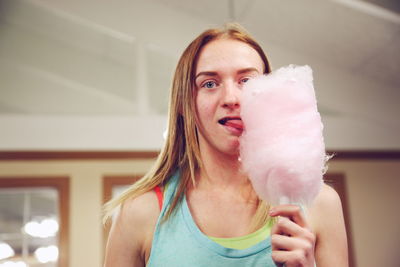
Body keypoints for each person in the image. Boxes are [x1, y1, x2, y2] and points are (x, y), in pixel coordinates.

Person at [103, 23, 348, 267]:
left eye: (247, 81)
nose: (231, 99)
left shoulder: (320, 205)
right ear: (185, 103)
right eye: (210, 83)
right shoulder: (140, 213)